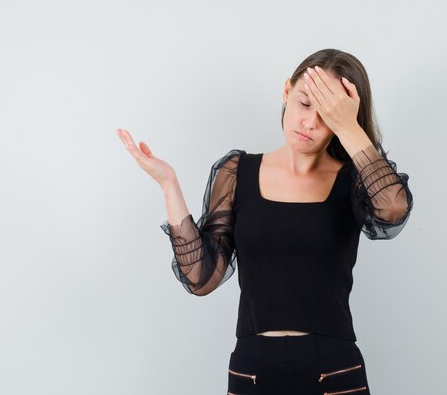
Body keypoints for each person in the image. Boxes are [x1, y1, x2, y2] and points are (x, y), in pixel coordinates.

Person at [117, 48, 413, 395]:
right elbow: (200, 277)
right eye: (305, 103)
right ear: (287, 91)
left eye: (329, 115)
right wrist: (169, 185)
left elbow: (392, 209)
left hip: (332, 368)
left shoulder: (355, 180)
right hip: (253, 370)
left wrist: (349, 125)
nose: (310, 123)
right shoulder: (237, 172)